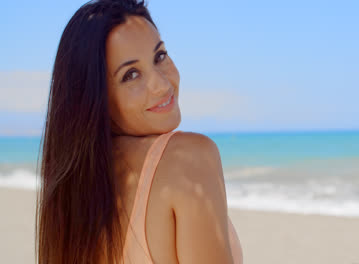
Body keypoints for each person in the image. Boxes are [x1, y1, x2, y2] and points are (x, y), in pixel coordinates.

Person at [35, 0, 243, 263]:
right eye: (131, 75)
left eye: (160, 56)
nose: (161, 84)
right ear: (94, 98)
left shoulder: (71, 201)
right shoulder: (188, 158)